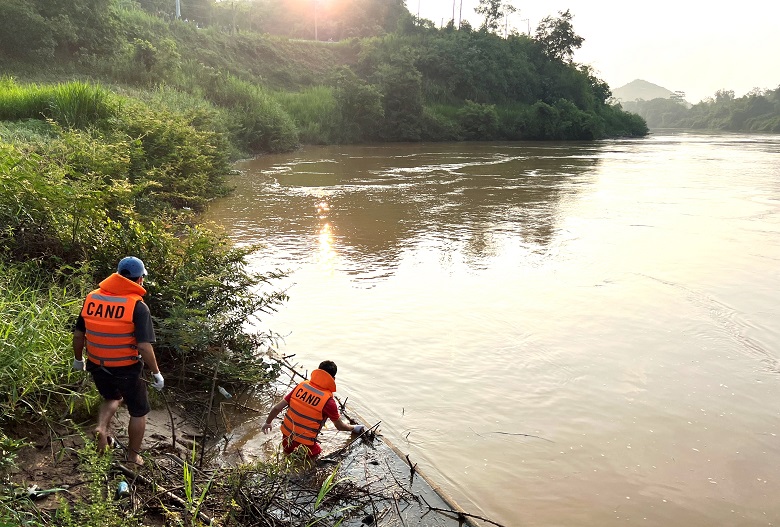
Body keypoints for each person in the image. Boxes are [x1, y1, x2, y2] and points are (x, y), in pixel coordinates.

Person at [72, 256, 164, 466]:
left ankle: (101, 428)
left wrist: (78, 360)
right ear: (140, 280)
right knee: (139, 410)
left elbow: (79, 335)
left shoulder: (92, 298)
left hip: (97, 364)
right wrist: (156, 372)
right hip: (127, 367)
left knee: (112, 396)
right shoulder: (137, 307)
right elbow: (143, 346)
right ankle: (132, 457)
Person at [262, 360, 365, 457]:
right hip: (305, 444)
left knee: (287, 456)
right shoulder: (328, 401)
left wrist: (268, 422)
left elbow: (277, 408)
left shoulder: (301, 386)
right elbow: (339, 426)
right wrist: (353, 428)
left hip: (286, 438)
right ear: (333, 379)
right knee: (317, 456)